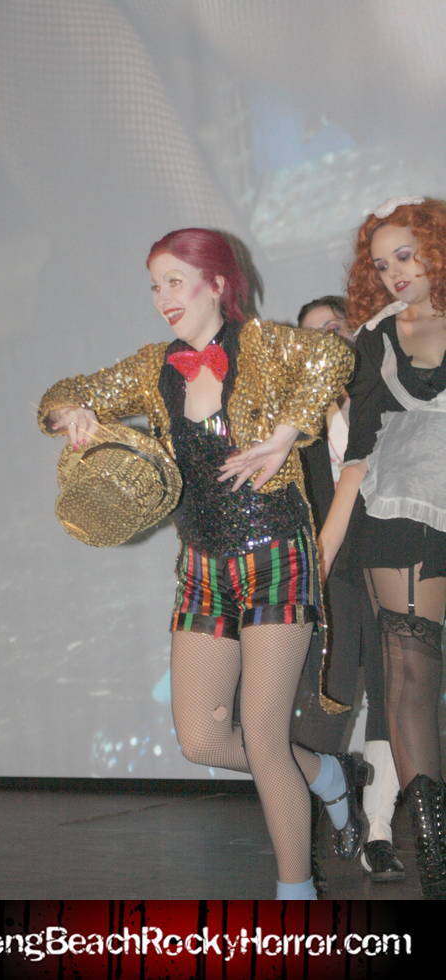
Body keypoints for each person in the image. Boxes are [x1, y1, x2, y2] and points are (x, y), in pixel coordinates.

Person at [38, 227, 358, 900]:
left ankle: (295, 894)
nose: (162, 297)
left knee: (265, 739)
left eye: (175, 281)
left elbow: (333, 355)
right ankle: (327, 774)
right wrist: (74, 413)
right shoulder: (153, 365)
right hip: (204, 568)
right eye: (155, 285)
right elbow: (62, 391)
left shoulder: (264, 344)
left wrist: (284, 436)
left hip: (277, 553)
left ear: (217, 283)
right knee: (203, 741)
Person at [319, 197, 446, 899]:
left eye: (405, 254)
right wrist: (326, 544)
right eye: (380, 264)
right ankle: (435, 857)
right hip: (399, 510)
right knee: (408, 670)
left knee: (413, 673)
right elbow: (359, 453)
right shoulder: (374, 337)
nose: (394, 272)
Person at [292, 295, 404, 884]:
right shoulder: (295, 421)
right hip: (330, 570)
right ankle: (329, 811)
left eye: (334, 327)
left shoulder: (386, 394)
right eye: (312, 335)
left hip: (389, 558)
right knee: (325, 697)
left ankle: (379, 832)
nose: (326, 340)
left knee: (392, 693)